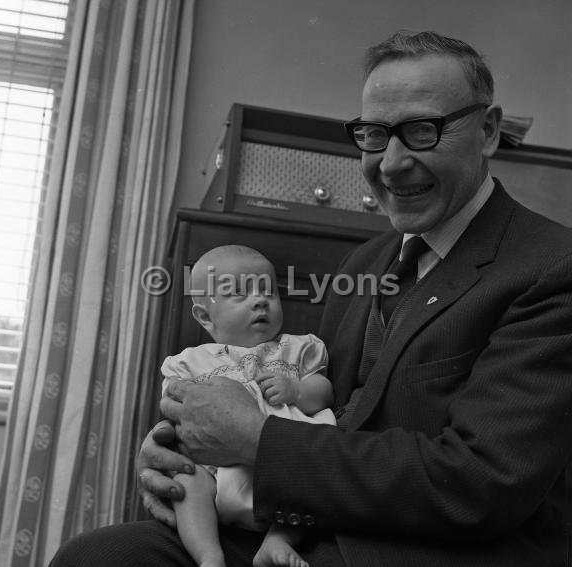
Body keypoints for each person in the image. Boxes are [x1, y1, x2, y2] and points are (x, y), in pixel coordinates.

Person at [50, 30, 572, 567]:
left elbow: (481, 483)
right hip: (303, 523)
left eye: (422, 130)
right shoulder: (363, 264)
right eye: (373, 134)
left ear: (487, 131)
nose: (389, 164)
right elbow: (317, 404)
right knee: (99, 555)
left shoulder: (553, 267)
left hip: (424, 548)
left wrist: (256, 439)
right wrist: (174, 450)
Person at [162, 245, 335, 567]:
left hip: (286, 460)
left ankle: (276, 542)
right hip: (218, 468)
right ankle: (209, 555)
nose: (260, 300)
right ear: (204, 316)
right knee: (186, 478)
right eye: (239, 294)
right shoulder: (190, 363)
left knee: (316, 484)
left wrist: (296, 389)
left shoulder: (296, 349)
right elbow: (176, 410)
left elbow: (324, 394)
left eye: (268, 291)